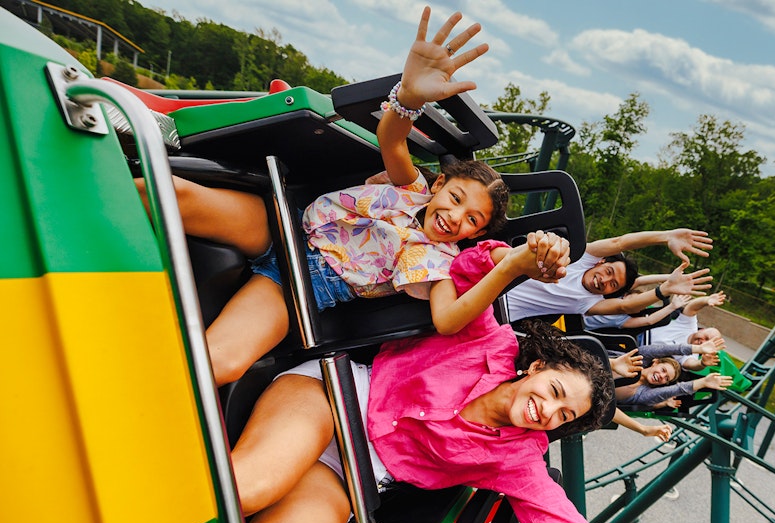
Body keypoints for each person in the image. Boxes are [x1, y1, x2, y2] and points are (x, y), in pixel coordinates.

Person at [224, 228, 728, 523]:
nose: (547, 411)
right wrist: (519, 258)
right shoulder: (487, 339)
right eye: (554, 391)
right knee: (252, 486)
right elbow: (466, 271)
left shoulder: (516, 460)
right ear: (537, 367)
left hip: (355, 473)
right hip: (336, 399)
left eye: (563, 416)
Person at [137, 8, 568, 387]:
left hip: (305, 284)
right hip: (283, 227)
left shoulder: (439, 263)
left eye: (473, 220)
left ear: (475, 234)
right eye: (456, 198)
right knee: (174, 193)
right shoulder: (411, 188)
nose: (457, 217)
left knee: (221, 363)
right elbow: (391, 136)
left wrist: (511, 265)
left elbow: (447, 319)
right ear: (438, 186)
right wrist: (410, 96)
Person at [502, 228, 715, 324]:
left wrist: (664, 290)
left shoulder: (587, 303)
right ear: (602, 261)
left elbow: (625, 307)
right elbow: (619, 243)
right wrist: (665, 236)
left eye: (613, 285)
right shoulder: (582, 258)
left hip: (496, 311)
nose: (604, 280)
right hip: (493, 273)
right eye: (609, 272)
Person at [614, 342, 732, 410]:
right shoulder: (638, 359)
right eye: (663, 370)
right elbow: (668, 349)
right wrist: (698, 349)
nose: (661, 376)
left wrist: (703, 383)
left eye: (666, 378)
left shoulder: (642, 393)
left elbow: (675, 390)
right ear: (655, 362)